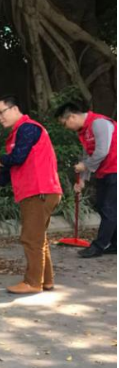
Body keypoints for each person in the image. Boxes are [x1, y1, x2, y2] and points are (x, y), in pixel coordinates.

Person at [0, 96, 62, 294]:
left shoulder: (28, 128)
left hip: (38, 191)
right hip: (39, 191)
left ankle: (32, 283)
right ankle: (46, 281)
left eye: (1, 112)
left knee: (31, 239)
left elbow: (17, 157)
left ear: (14, 109)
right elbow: (11, 168)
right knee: (39, 238)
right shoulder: (19, 133)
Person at [56, 102, 116, 258]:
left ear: (72, 117)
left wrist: (85, 165)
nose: (66, 127)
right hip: (106, 172)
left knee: (109, 209)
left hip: (116, 170)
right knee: (103, 206)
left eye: (65, 123)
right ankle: (115, 244)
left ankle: (98, 246)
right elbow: (87, 156)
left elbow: (102, 151)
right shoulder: (84, 132)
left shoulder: (99, 123)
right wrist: (82, 180)